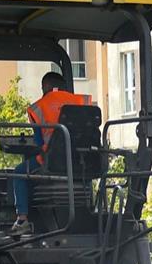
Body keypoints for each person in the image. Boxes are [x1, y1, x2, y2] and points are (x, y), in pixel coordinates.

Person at [8, 71, 93, 237]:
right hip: (82, 160)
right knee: (84, 175)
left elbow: (40, 143)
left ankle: (22, 220)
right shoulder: (82, 101)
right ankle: (90, 205)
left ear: (46, 87)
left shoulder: (39, 106)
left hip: (53, 161)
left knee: (19, 173)